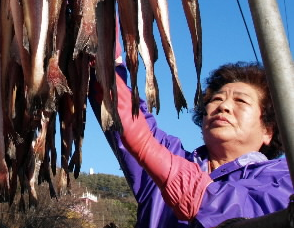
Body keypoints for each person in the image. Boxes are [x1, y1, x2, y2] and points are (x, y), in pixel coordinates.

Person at [89, 59, 293, 228]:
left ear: (268, 130)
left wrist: (190, 189)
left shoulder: (285, 175)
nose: (223, 106)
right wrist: (106, 57)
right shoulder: (172, 156)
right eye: (216, 99)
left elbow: (258, 212)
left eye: (241, 101)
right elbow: (121, 107)